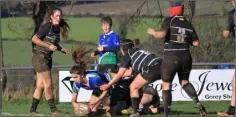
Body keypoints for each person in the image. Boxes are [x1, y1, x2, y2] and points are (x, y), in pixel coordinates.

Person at [146, 1, 206, 117]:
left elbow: (161, 35)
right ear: (182, 10)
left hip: (171, 57)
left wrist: (153, 32)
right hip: (186, 56)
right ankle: (197, 102)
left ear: (173, 10)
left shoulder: (170, 20)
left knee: (166, 84)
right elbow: (196, 43)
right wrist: (183, 39)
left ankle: (167, 114)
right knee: (184, 82)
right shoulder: (188, 24)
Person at [100, 39, 162, 117]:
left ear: (122, 49)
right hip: (163, 64)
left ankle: (136, 111)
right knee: (137, 91)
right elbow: (128, 73)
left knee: (133, 87)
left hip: (152, 72)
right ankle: (162, 110)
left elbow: (120, 74)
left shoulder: (128, 56)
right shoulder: (137, 52)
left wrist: (108, 85)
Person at [70, 45, 132, 117]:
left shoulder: (94, 79)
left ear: (82, 75)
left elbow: (105, 90)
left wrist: (98, 101)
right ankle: (101, 111)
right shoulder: (76, 83)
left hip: (112, 83)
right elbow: (74, 96)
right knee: (91, 110)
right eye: (73, 77)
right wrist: (74, 104)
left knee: (112, 111)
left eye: (75, 77)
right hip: (101, 87)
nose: (74, 79)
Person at [30, 7, 70, 115]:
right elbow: (34, 39)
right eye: (57, 16)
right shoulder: (47, 26)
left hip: (47, 58)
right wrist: (48, 45)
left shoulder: (57, 28)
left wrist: (61, 49)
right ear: (52, 17)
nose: (59, 17)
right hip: (39, 57)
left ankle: (32, 110)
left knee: (41, 85)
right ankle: (54, 110)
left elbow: (54, 43)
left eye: (60, 16)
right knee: (48, 84)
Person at [217, 0, 236, 116]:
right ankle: (232, 109)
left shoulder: (233, 14)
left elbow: (225, 33)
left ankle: (232, 110)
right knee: (235, 82)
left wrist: (225, 31)